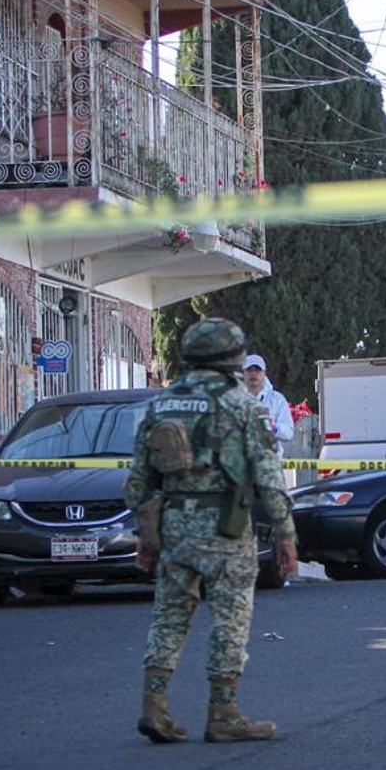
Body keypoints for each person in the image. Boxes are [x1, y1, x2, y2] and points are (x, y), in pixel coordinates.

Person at [125, 318, 299, 745]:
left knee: (169, 617)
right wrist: (286, 533)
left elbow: (138, 481)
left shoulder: (162, 404)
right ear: (234, 357)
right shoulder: (243, 405)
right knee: (229, 619)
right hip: (226, 529)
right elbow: (268, 475)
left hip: (173, 527)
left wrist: (146, 535)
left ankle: (154, 705)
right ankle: (224, 713)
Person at [241, 352, 295, 457]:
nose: (253, 373)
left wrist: (273, 427)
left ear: (264, 373)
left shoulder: (278, 400)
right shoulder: (235, 398)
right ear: (243, 373)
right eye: (249, 370)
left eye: (257, 370)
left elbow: (288, 433)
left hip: (270, 460)